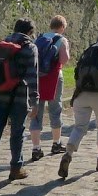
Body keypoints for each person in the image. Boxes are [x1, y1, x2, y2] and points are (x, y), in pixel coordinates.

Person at [0, 18, 38, 195]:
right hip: (18, 98)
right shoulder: (30, 47)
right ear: (30, 32)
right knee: (17, 133)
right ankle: (16, 168)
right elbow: (32, 77)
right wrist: (35, 102)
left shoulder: (1, 45)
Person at [59, 26, 98, 179]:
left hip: (81, 94)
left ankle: (68, 154)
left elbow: (76, 72)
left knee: (79, 127)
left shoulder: (88, 50)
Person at [29, 14, 71, 161]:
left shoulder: (39, 38)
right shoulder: (61, 39)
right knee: (55, 108)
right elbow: (64, 59)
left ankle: (36, 148)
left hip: (37, 77)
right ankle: (56, 143)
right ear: (63, 27)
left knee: (36, 111)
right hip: (54, 77)